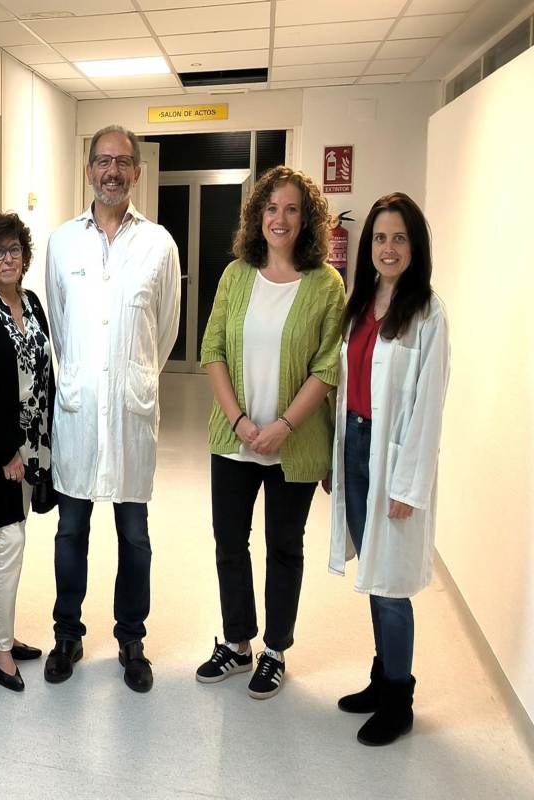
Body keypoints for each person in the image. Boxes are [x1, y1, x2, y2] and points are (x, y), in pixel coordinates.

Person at [195, 166, 345, 699]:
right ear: (258, 215)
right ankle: (238, 643)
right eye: (271, 208)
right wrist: (239, 420)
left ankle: (275, 651)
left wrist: (283, 426)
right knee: (229, 543)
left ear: (307, 220)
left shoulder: (326, 284)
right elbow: (212, 349)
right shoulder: (237, 274)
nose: (280, 219)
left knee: (284, 547)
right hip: (234, 440)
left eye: (291, 209)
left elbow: (327, 366)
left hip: (294, 445)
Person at [43, 124, 181, 693]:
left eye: (123, 162)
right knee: (70, 531)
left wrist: (133, 376)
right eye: (103, 161)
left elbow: (164, 332)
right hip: (79, 414)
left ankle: (131, 638)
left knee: (134, 537)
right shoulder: (61, 243)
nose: (112, 171)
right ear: (88, 170)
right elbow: (59, 325)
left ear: (137, 172)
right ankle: (67, 634)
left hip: (130, 414)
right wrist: (88, 376)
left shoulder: (159, 245)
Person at [328, 192, 449, 746]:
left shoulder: (428, 313)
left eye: (399, 237)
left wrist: (409, 486)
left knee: (392, 583)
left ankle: (399, 698)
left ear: (415, 245)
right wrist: (335, 457)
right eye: (380, 238)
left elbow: (428, 409)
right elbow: (347, 386)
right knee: (375, 572)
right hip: (355, 447)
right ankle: (382, 678)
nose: (388, 247)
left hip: (393, 456)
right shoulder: (360, 304)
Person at [0, 211, 56, 693]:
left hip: (32, 442)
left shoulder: (32, 302)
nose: (7, 259)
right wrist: (6, 452)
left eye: (14, 250)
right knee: (10, 540)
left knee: (6, 539)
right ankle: (0, 648)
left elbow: (44, 372)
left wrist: (45, 439)